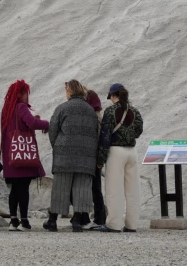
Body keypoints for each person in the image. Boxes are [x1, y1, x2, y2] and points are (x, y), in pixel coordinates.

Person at [44, 79, 99, 232]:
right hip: (86, 156)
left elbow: (53, 130)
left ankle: (53, 220)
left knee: (60, 188)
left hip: (64, 156)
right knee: (82, 188)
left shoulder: (62, 108)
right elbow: (96, 132)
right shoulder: (90, 111)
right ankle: (76, 221)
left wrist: (58, 147)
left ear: (70, 91)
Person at [0, 80, 49, 231]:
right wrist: (47, 124)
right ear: (21, 93)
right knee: (23, 188)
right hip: (23, 154)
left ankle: (13, 220)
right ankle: (24, 221)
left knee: (14, 188)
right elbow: (32, 123)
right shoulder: (21, 106)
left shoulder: (7, 109)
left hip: (11, 154)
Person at [98, 83, 144, 233]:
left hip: (116, 151)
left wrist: (100, 159)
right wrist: (129, 135)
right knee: (133, 190)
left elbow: (105, 136)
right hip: (132, 152)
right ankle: (132, 224)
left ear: (112, 95)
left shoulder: (110, 111)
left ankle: (114, 224)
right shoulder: (134, 111)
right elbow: (139, 130)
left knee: (114, 189)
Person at [78, 89, 107, 230]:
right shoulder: (98, 116)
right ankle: (99, 218)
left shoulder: (93, 117)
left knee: (92, 188)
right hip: (96, 157)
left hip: (91, 156)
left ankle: (96, 218)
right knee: (96, 188)